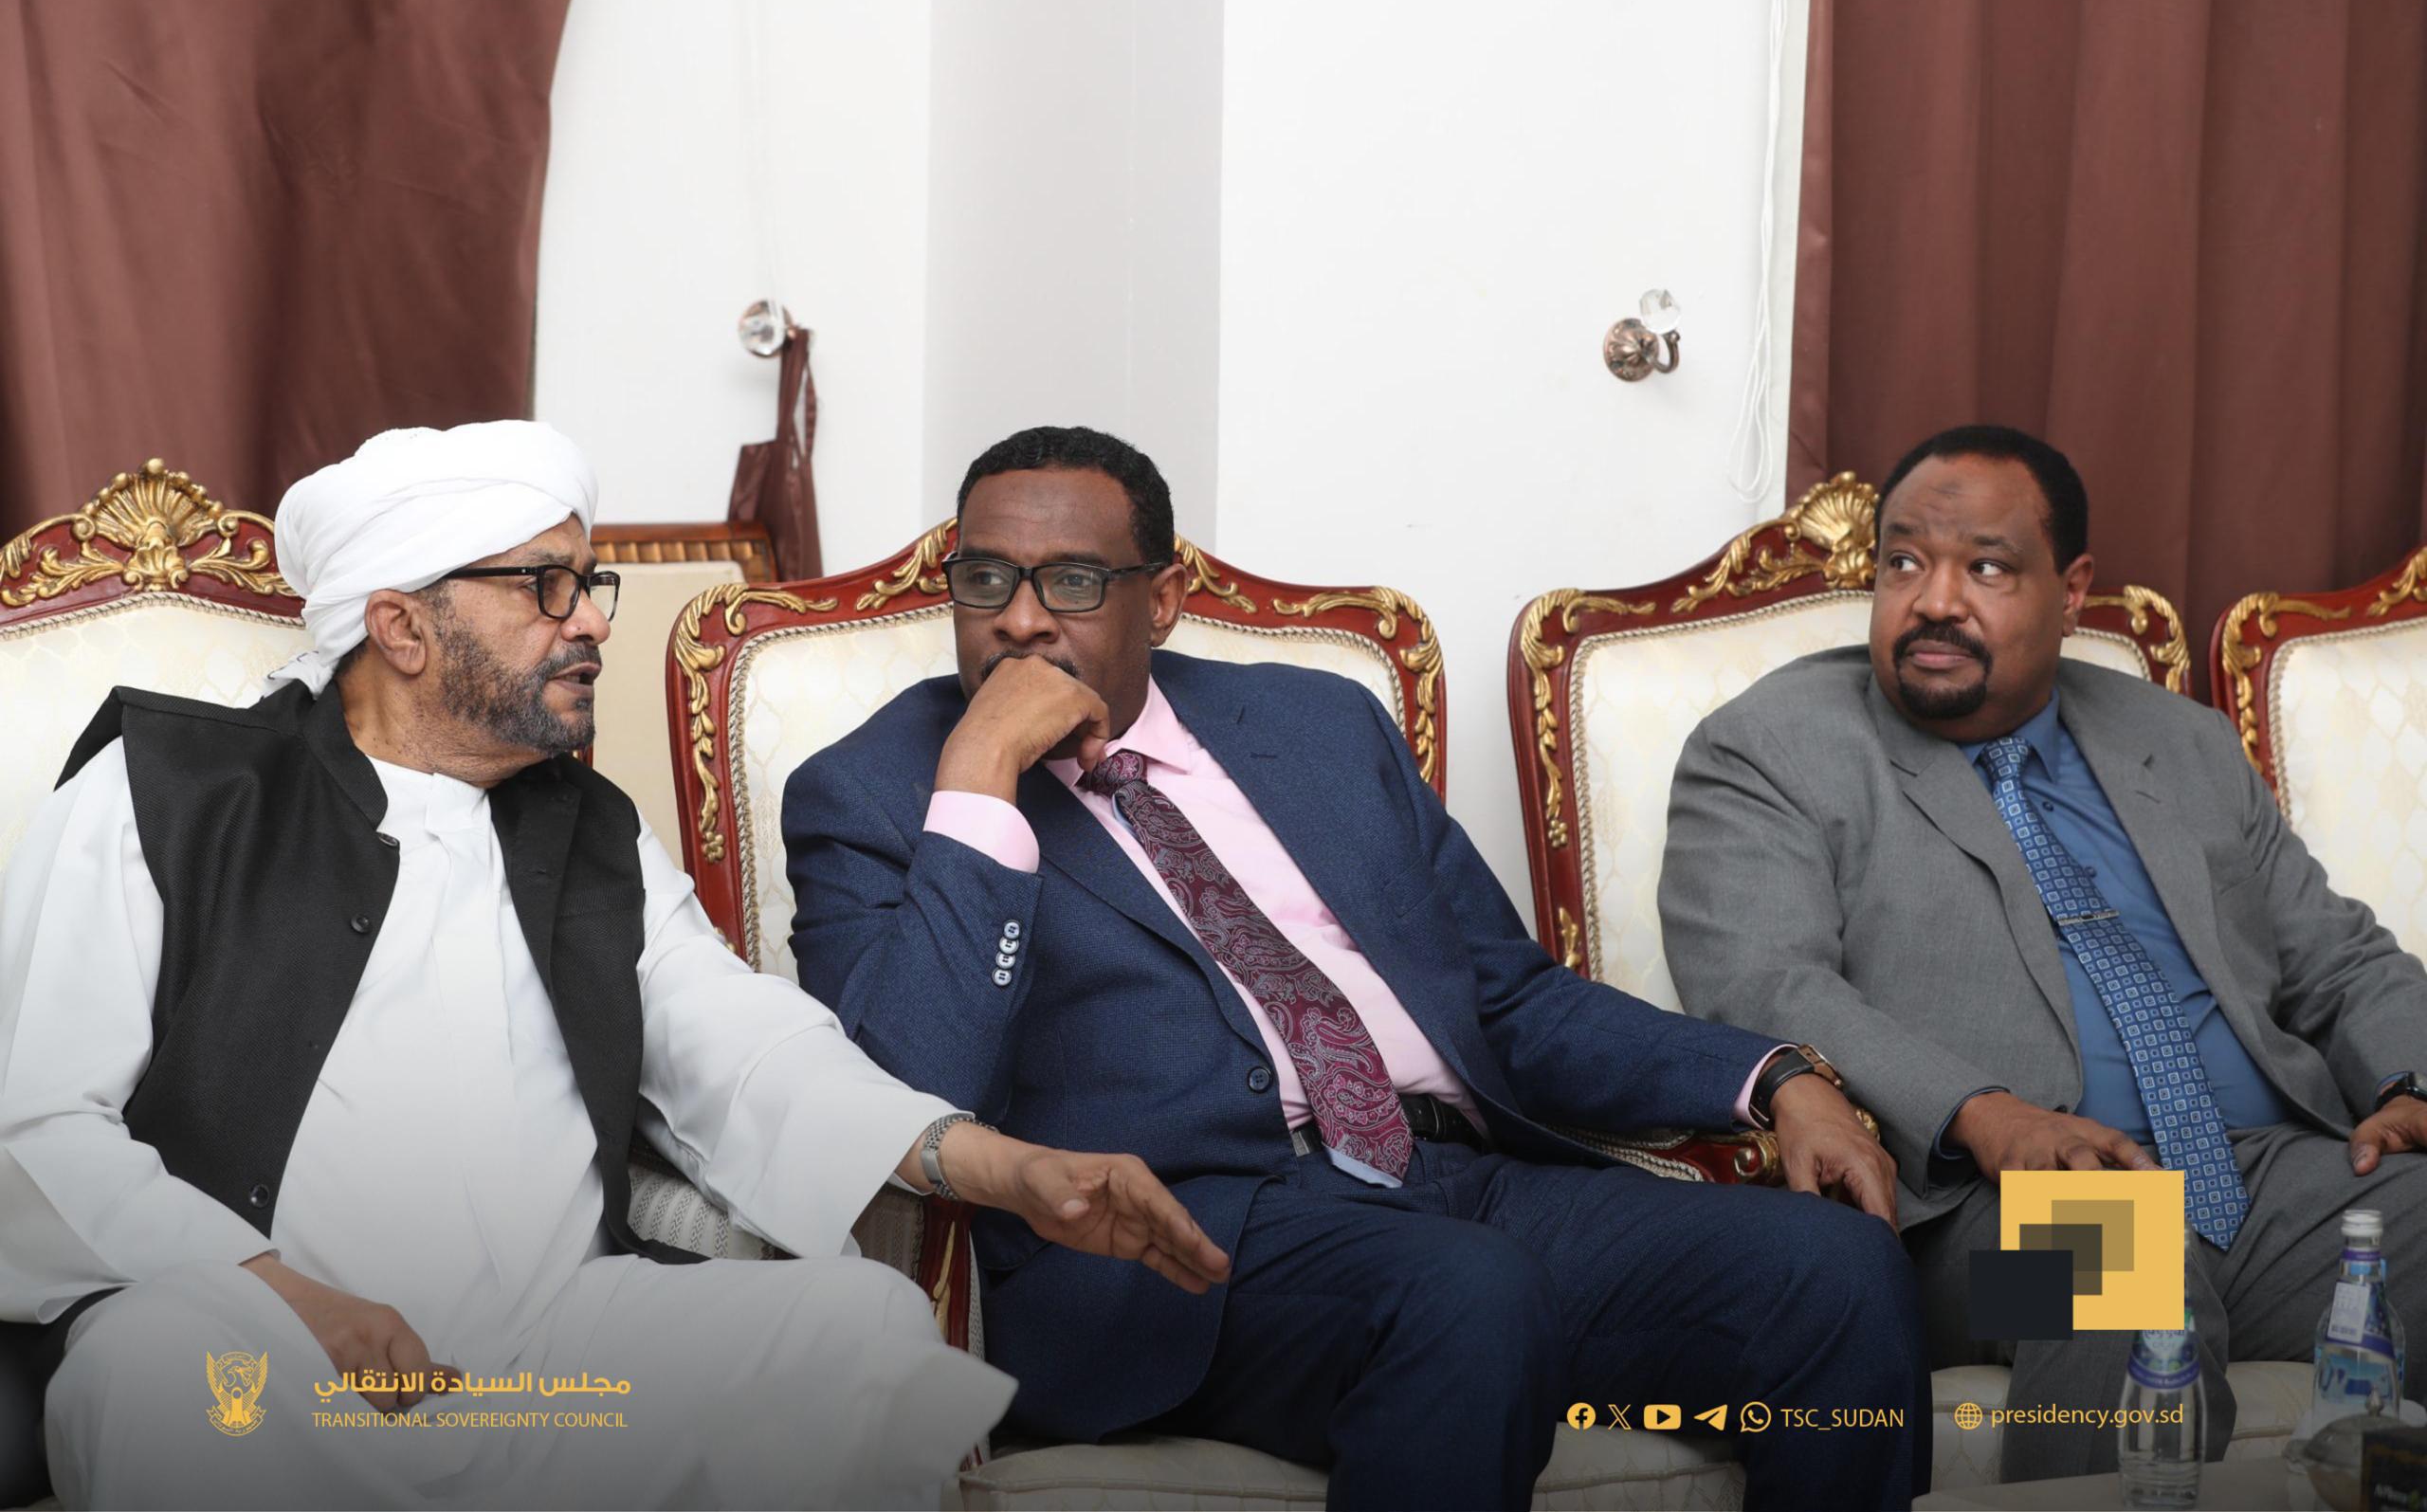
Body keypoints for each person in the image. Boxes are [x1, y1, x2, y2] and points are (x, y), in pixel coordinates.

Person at [0, 421, 1229, 1511]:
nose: (591, 619)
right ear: (402, 626)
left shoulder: (588, 828)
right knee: (154, 1376)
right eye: (546, 586)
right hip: (271, 1349)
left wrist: (1004, 1166)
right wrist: (281, 1294)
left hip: (557, 1371)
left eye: (588, 585)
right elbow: (35, 1122)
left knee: (863, 1326)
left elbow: (742, 1051)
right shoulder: (171, 791)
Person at [782, 425, 1930, 1512]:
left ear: (1162, 598)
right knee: (1463, 1290)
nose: (1022, 620)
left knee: (1835, 1270)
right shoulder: (874, 791)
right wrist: (980, 776)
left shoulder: (1318, 723)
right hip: (1183, 1246)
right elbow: (905, 1091)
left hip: (1454, 1180)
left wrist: (1774, 1075)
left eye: (1072, 582)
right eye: (986, 580)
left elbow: (1507, 996)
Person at [1661, 424, 2427, 1481]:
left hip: (2260, 1183)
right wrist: (1988, 1113)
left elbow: (2338, 956)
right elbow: (1764, 982)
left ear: (2071, 594)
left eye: (1985, 567)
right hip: (1980, 1214)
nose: (1934, 600)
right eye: (1902, 561)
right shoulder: (1771, 747)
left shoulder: (2181, 742)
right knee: (2123, 1266)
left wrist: (2407, 1080)